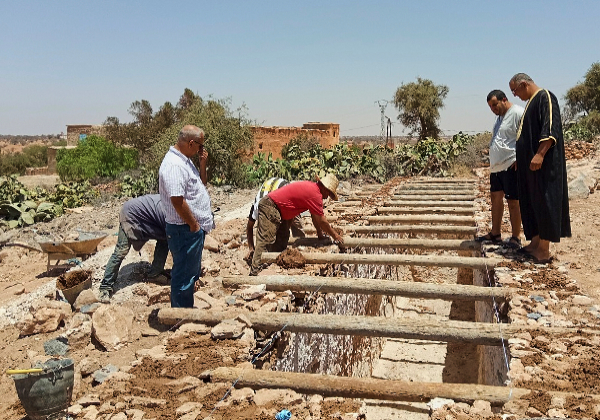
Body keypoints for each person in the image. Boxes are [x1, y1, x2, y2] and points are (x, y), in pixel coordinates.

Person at [508, 73, 571, 263]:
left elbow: (550, 128)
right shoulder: (531, 103)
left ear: (524, 84)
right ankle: (535, 243)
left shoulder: (545, 96)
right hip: (530, 167)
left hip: (544, 165)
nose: (515, 95)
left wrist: (540, 154)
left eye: (515, 91)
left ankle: (543, 250)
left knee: (544, 201)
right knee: (531, 202)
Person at [159, 125, 214, 307]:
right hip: (185, 229)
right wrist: (194, 225)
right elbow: (177, 200)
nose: (201, 149)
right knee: (183, 276)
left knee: (189, 274)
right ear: (191, 143)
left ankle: (184, 313)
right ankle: (180, 318)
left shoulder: (185, 160)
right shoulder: (174, 165)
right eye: (200, 145)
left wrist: (202, 164)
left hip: (190, 228)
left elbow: (201, 184)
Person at [249, 173, 343, 276]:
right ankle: (255, 272)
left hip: (281, 210)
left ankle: (272, 265)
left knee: (283, 238)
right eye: (329, 194)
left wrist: (320, 234)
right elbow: (322, 221)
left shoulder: (313, 189)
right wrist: (335, 236)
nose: (327, 198)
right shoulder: (316, 194)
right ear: (326, 189)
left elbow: (315, 218)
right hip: (271, 206)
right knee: (266, 240)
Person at [98, 194, 169, 302]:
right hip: (130, 214)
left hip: (148, 219)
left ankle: (155, 273)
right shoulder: (170, 212)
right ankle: (105, 287)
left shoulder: (175, 208)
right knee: (121, 250)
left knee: (165, 241)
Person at [477, 90, 524, 248]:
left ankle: (516, 237)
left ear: (504, 100)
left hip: (510, 164)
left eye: (495, 104)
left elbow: (528, 134)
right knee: (496, 199)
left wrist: (521, 157)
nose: (493, 109)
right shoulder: (499, 118)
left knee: (513, 201)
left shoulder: (517, 112)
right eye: (490, 106)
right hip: (496, 167)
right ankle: (495, 233)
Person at [245, 177, 307, 265]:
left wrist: (286, 230)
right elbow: (249, 226)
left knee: (292, 225)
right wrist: (251, 248)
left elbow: (290, 217)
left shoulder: (282, 203)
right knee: (266, 238)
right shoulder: (257, 207)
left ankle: (301, 246)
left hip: (286, 194)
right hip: (271, 195)